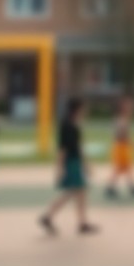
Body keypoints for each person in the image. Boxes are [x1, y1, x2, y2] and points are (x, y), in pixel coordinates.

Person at [39, 98, 99, 236]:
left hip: (74, 161)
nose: (85, 111)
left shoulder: (72, 125)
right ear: (77, 110)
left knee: (80, 191)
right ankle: (48, 217)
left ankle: (82, 223)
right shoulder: (69, 126)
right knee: (72, 191)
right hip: (72, 162)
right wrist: (60, 167)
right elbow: (63, 148)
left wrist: (85, 164)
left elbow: (76, 147)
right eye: (83, 109)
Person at [105, 94, 134, 199]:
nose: (130, 108)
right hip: (121, 148)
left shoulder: (122, 119)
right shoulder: (121, 120)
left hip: (121, 147)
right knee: (122, 168)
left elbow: (122, 135)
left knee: (124, 168)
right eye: (128, 106)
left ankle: (123, 187)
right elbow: (123, 137)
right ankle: (128, 188)